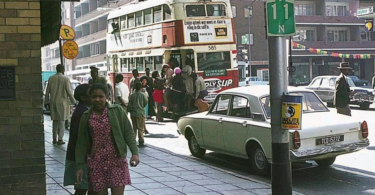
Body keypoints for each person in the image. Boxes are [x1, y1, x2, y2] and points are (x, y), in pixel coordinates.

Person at [75, 83, 139, 195]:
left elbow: (128, 133)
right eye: (94, 97)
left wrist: (135, 153)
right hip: (96, 162)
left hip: (116, 160)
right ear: (90, 98)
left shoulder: (117, 111)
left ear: (107, 97)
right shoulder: (86, 116)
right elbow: (81, 142)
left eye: (101, 96)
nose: (97, 99)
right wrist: (80, 166)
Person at [64, 84, 93, 195]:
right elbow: (80, 137)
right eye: (92, 94)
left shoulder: (84, 109)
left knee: (87, 186)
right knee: (82, 187)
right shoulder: (82, 112)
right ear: (84, 98)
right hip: (81, 156)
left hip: (82, 156)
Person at [45, 64, 76, 145]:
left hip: (53, 102)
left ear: (56, 69)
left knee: (55, 120)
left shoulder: (51, 78)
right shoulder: (65, 79)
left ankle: (54, 138)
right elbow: (69, 92)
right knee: (61, 121)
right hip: (62, 102)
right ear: (63, 70)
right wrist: (74, 102)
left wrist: (46, 102)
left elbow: (47, 92)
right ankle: (60, 139)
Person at [128, 82, 148, 147]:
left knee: (134, 128)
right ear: (141, 87)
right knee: (140, 128)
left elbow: (129, 104)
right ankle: (141, 141)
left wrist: (129, 110)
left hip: (133, 113)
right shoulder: (143, 95)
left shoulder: (132, 95)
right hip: (140, 113)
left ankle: (133, 141)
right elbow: (145, 102)